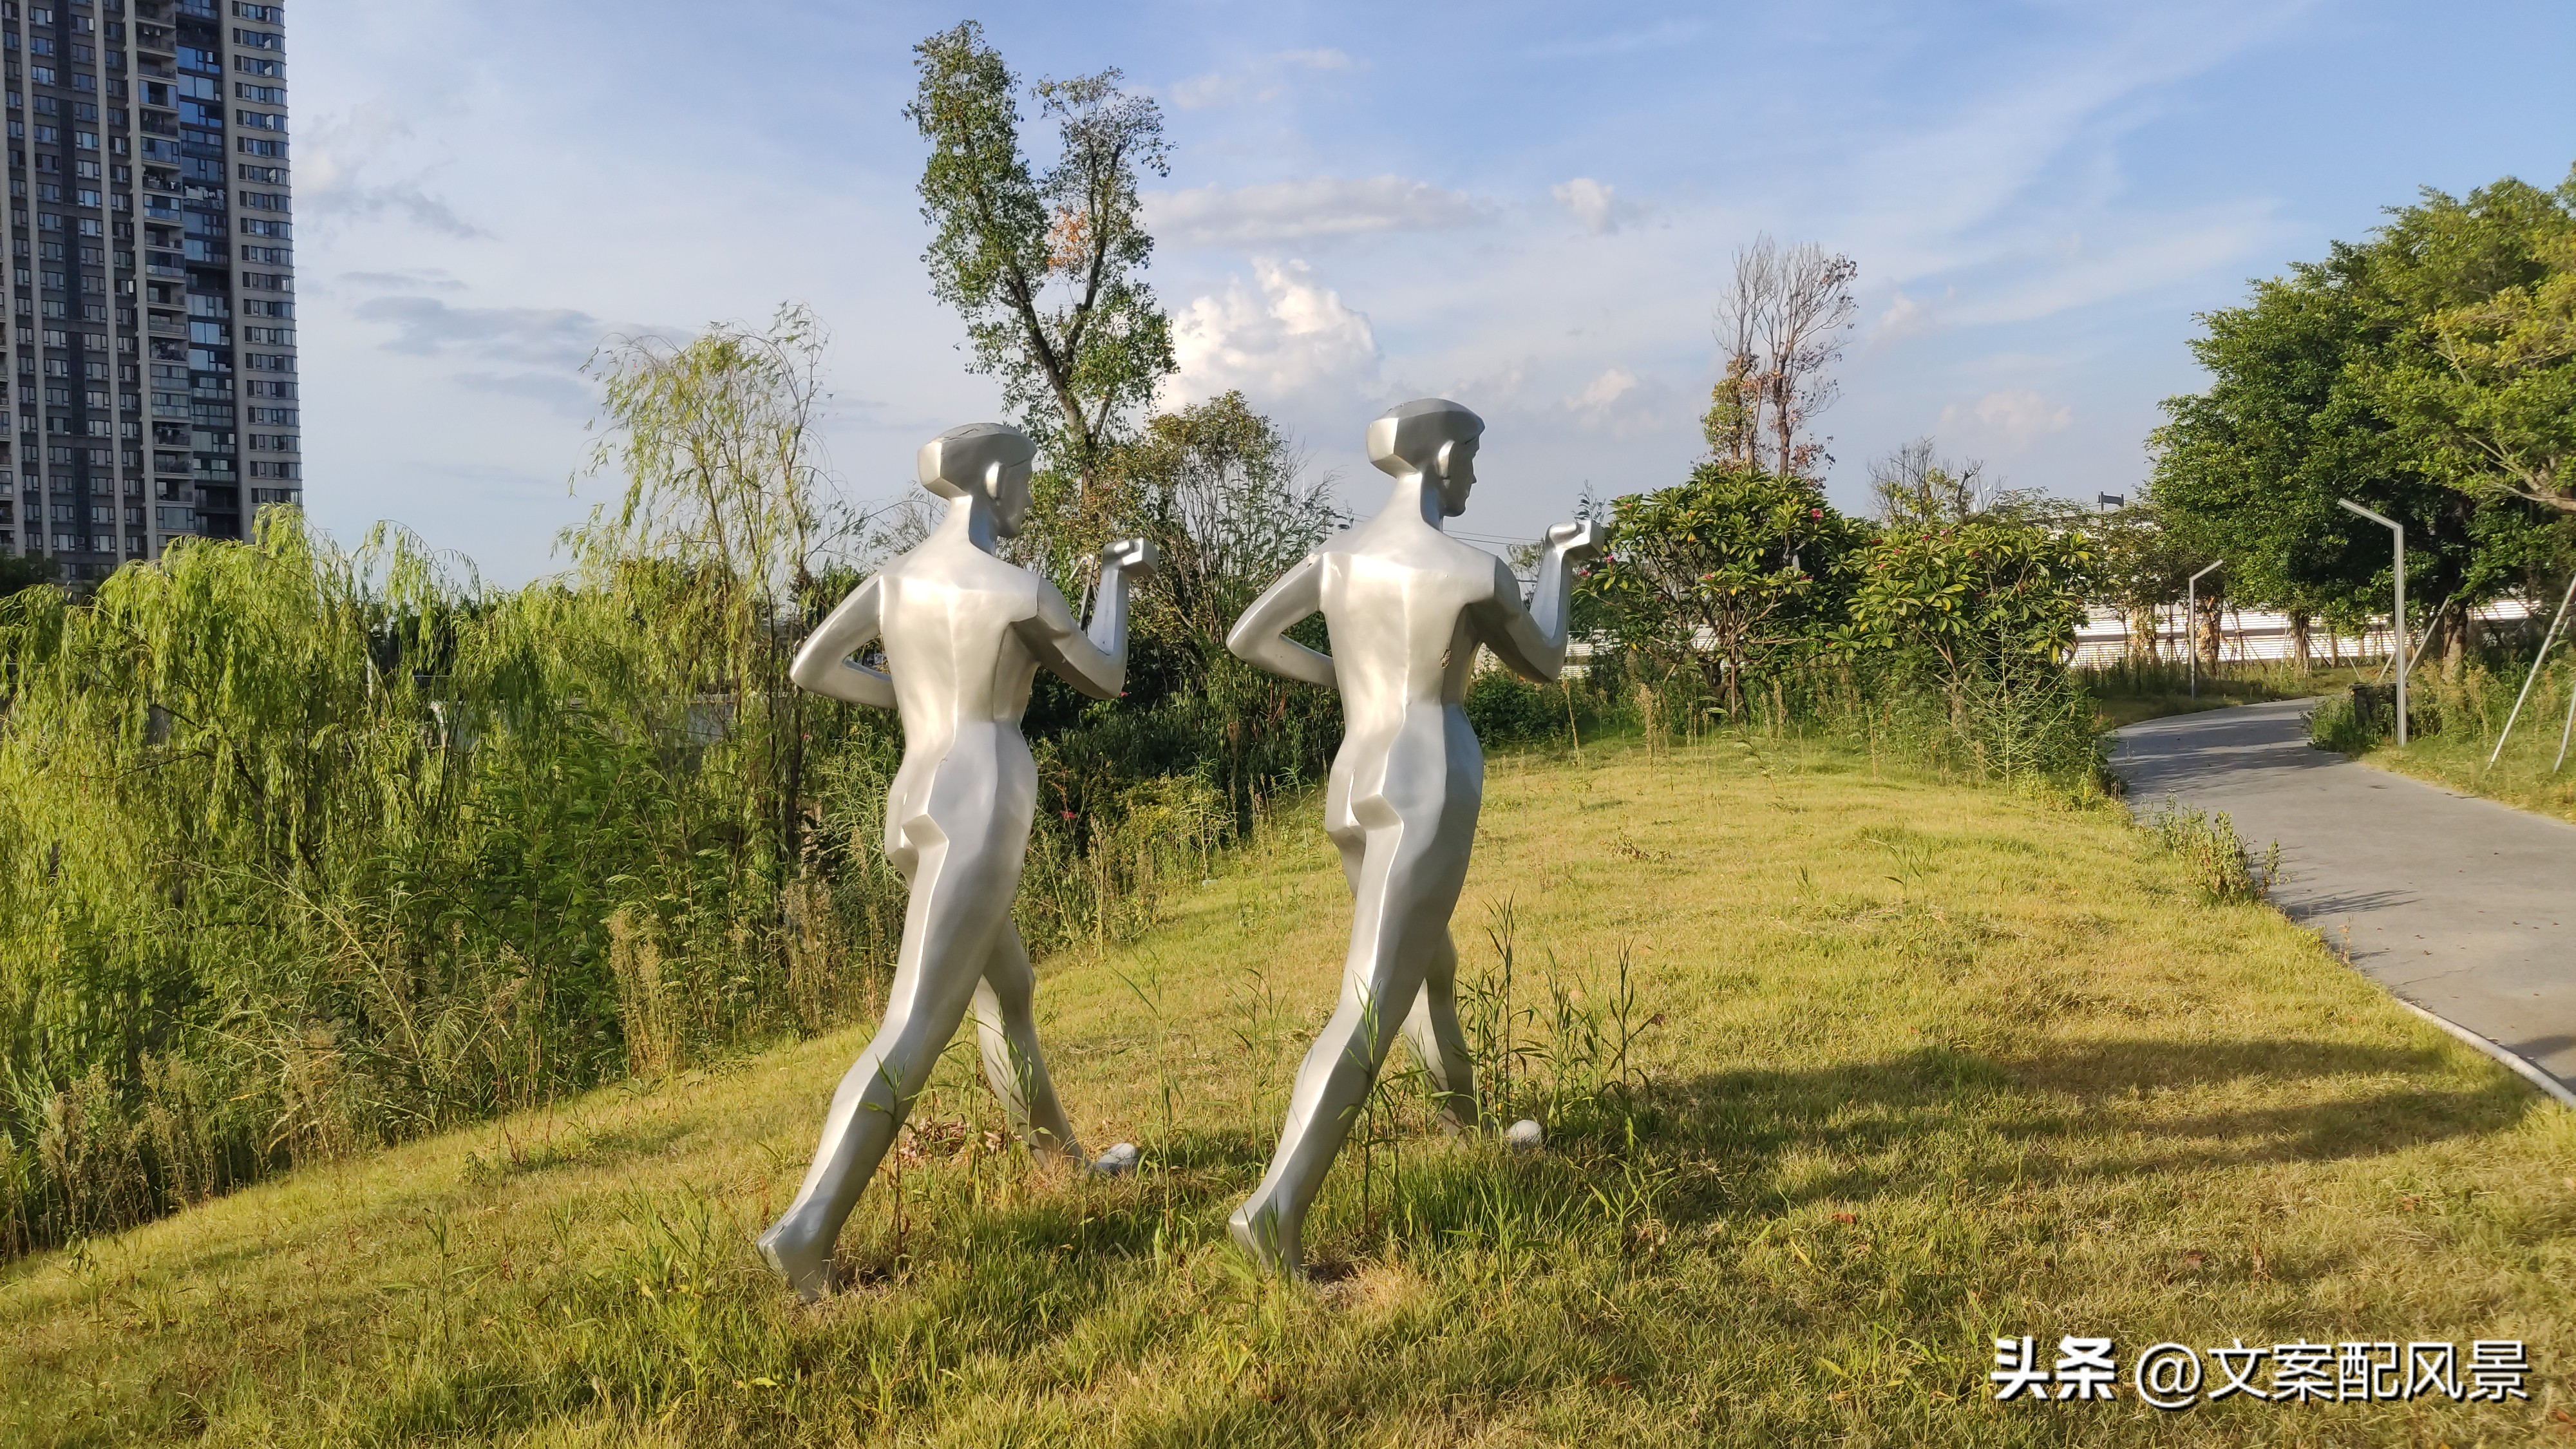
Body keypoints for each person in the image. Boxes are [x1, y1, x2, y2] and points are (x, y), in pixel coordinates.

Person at [757, 422, 1153, 1298]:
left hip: (915, 794)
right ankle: (807, 1230)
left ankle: (1065, 1166)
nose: (1030, 495)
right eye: (1027, 478)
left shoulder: (894, 581)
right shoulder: (1016, 591)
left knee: (1008, 991)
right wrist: (1116, 581)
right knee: (914, 1025)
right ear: (997, 478)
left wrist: (909, 696)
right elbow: (1104, 674)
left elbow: (812, 666)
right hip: (981, 795)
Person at [1222, 397, 1601, 1274]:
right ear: (1438, 459)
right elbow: (1545, 660)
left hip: (1355, 776)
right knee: (1369, 1001)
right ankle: (1274, 1210)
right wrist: (1558, 563)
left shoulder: (1336, 559)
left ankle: (1462, 1124)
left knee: (1430, 963)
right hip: (1426, 775)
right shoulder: (1472, 571)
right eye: (1470, 454)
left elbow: (1250, 638)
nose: (1474, 472)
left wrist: (1351, 681)